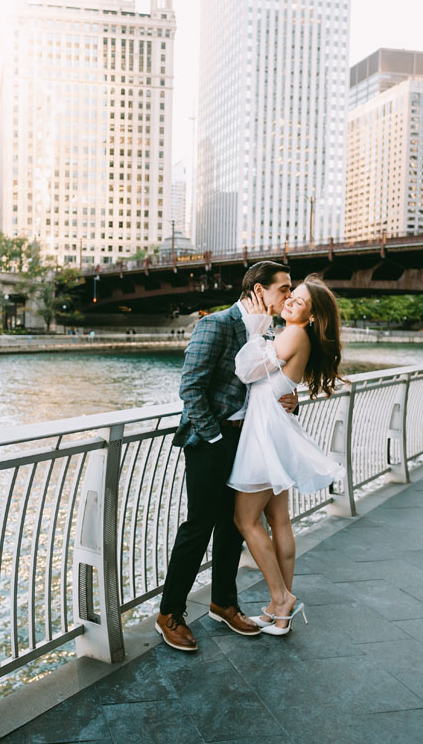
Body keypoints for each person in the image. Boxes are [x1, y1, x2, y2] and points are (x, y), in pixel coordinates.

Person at [157, 261, 299, 652]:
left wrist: (290, 397)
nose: (289, 296)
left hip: (250, 441)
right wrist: (216, 439)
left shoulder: (268, 330)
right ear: (257, 290)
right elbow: (191, 388)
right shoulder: (216, 324)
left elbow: (269, 384)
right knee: (199, 525)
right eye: (283, 289)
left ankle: (224, 602)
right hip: (212, 441)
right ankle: (170, 612)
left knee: (235, 525)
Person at [228, 274, 345, 635]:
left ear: (311, 316)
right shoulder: (296, 335)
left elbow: (246, 370)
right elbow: (276, 382)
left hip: (265, 437)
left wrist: (258, 324)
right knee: (279, 521)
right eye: (291, 295)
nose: (291, 301)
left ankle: (281, 598)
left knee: (245, 521)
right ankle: (280, 609)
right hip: (275, 429)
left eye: (300, 302)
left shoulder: (292, 334)